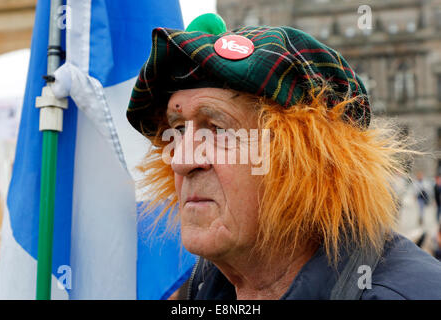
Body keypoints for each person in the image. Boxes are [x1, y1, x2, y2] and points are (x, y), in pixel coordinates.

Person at [127, 13, 441, 299]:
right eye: (178, 130)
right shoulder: (201, 287)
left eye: (218, 129)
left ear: (309, 162)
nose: (181, 161)